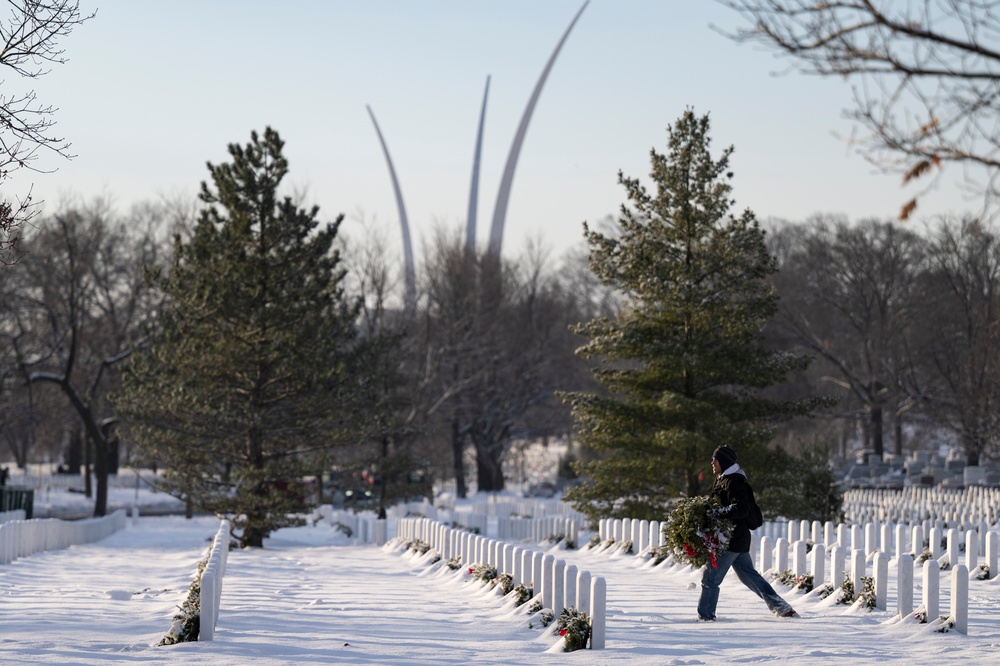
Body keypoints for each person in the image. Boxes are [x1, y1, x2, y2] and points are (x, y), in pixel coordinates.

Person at [697, 445, 798, 621]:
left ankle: (706, 617)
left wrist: (715, 513)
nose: (712, 462)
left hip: (731, 539)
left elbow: (741, 509)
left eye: (715, 459)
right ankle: (783, 609)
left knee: (710, 579)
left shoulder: (734, 482)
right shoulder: (722, 479)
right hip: (736, 539)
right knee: (751, 578)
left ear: (724, 462)